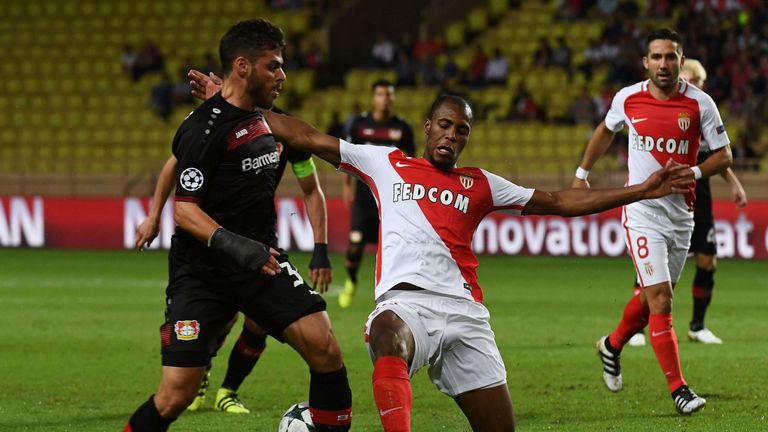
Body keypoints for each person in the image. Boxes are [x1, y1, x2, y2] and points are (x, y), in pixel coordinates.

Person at [244, 93, 691, 431]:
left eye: (461, 131)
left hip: (465, 314)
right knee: (386, 335)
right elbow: (305, 136)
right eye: (445, 125)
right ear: (427, 126)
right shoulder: (385, 163)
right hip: (407, 304)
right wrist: (233, 106)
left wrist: (640, 190)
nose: (452, 136)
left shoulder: (480, 184)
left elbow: (559, 201)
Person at [124, 19, 351, 432]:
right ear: (243, 67)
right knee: (177, 393)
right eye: (274, 66)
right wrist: (235, 245)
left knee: (325, 347)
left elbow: (304, 136)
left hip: (260, 261)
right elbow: (186, 210)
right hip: (205, 272)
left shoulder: (263, 119)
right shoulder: (202, 129)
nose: (282, 75)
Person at [571, 29, 732, 415]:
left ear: (681, 60)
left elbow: (724, 156)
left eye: (671, 57)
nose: (664, 64)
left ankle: (611, 344)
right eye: (656, 57)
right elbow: (606, 130)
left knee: (649, 299)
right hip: (642, 212)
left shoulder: (700, 104)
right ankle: (680, 389)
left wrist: (691, 173)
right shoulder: (627, 98)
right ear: (646, 62)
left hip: (682, 214)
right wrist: (581, 173)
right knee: (662, 299)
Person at [134, 109, 333, 414]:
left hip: (259, 242)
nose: (277, 78)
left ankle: (228, 391)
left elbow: (312, 191)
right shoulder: (221, 124)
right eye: (272, 68)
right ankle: (200, 372)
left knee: (259, 322)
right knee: (222, 321)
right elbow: (173, 167)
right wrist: (152, 216)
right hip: (213, 243)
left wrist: (320, 248)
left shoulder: (287, 131)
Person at [626, 58, 748, 347]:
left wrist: (734, 183)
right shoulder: (670, 114)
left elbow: (718, 156)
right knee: (654, 269)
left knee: (708, 261)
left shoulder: (703, 113)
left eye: (702, 83)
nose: (698, 88)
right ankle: (635, 329)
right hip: (667, 201)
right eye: (694, 81)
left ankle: (697, 326)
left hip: (699, 200)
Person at [339, 79, 415, 308]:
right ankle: (351, 281)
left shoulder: (403, 128)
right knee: (355, 243)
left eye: (389, 94)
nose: (385, 98)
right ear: (374, 98)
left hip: (391, 196)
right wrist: (347, 187)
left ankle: (393, 290)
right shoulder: (359, 125)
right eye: (381, 94)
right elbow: (347, 156)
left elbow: (412, 163)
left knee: (394, 246)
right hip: (364, 195)